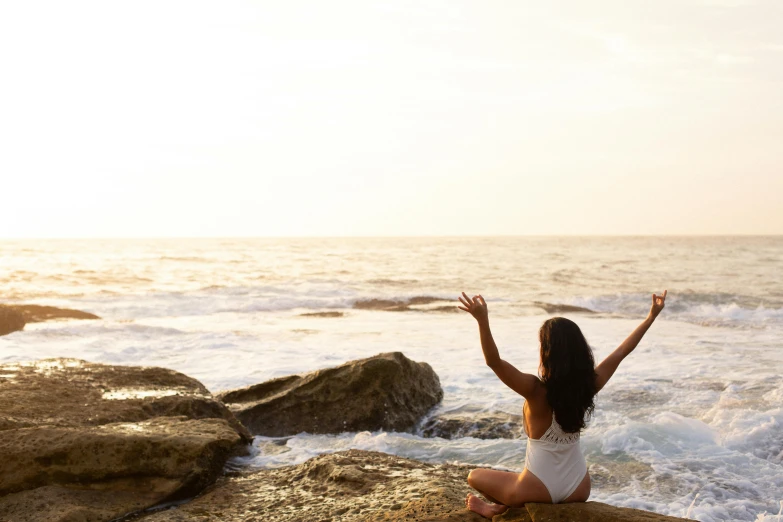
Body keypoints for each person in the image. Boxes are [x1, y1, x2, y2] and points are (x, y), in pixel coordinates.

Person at [457, 290, 667, 518]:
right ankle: (504, 506)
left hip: (535, 488)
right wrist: (650, 317)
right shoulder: (589, 386)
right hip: (578, 487)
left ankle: (494, 511)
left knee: (474, 476)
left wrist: (482, 320)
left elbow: (493, 361)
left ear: (547, 352)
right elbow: (622, 351)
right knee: (515, 479)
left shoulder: (535, 390)